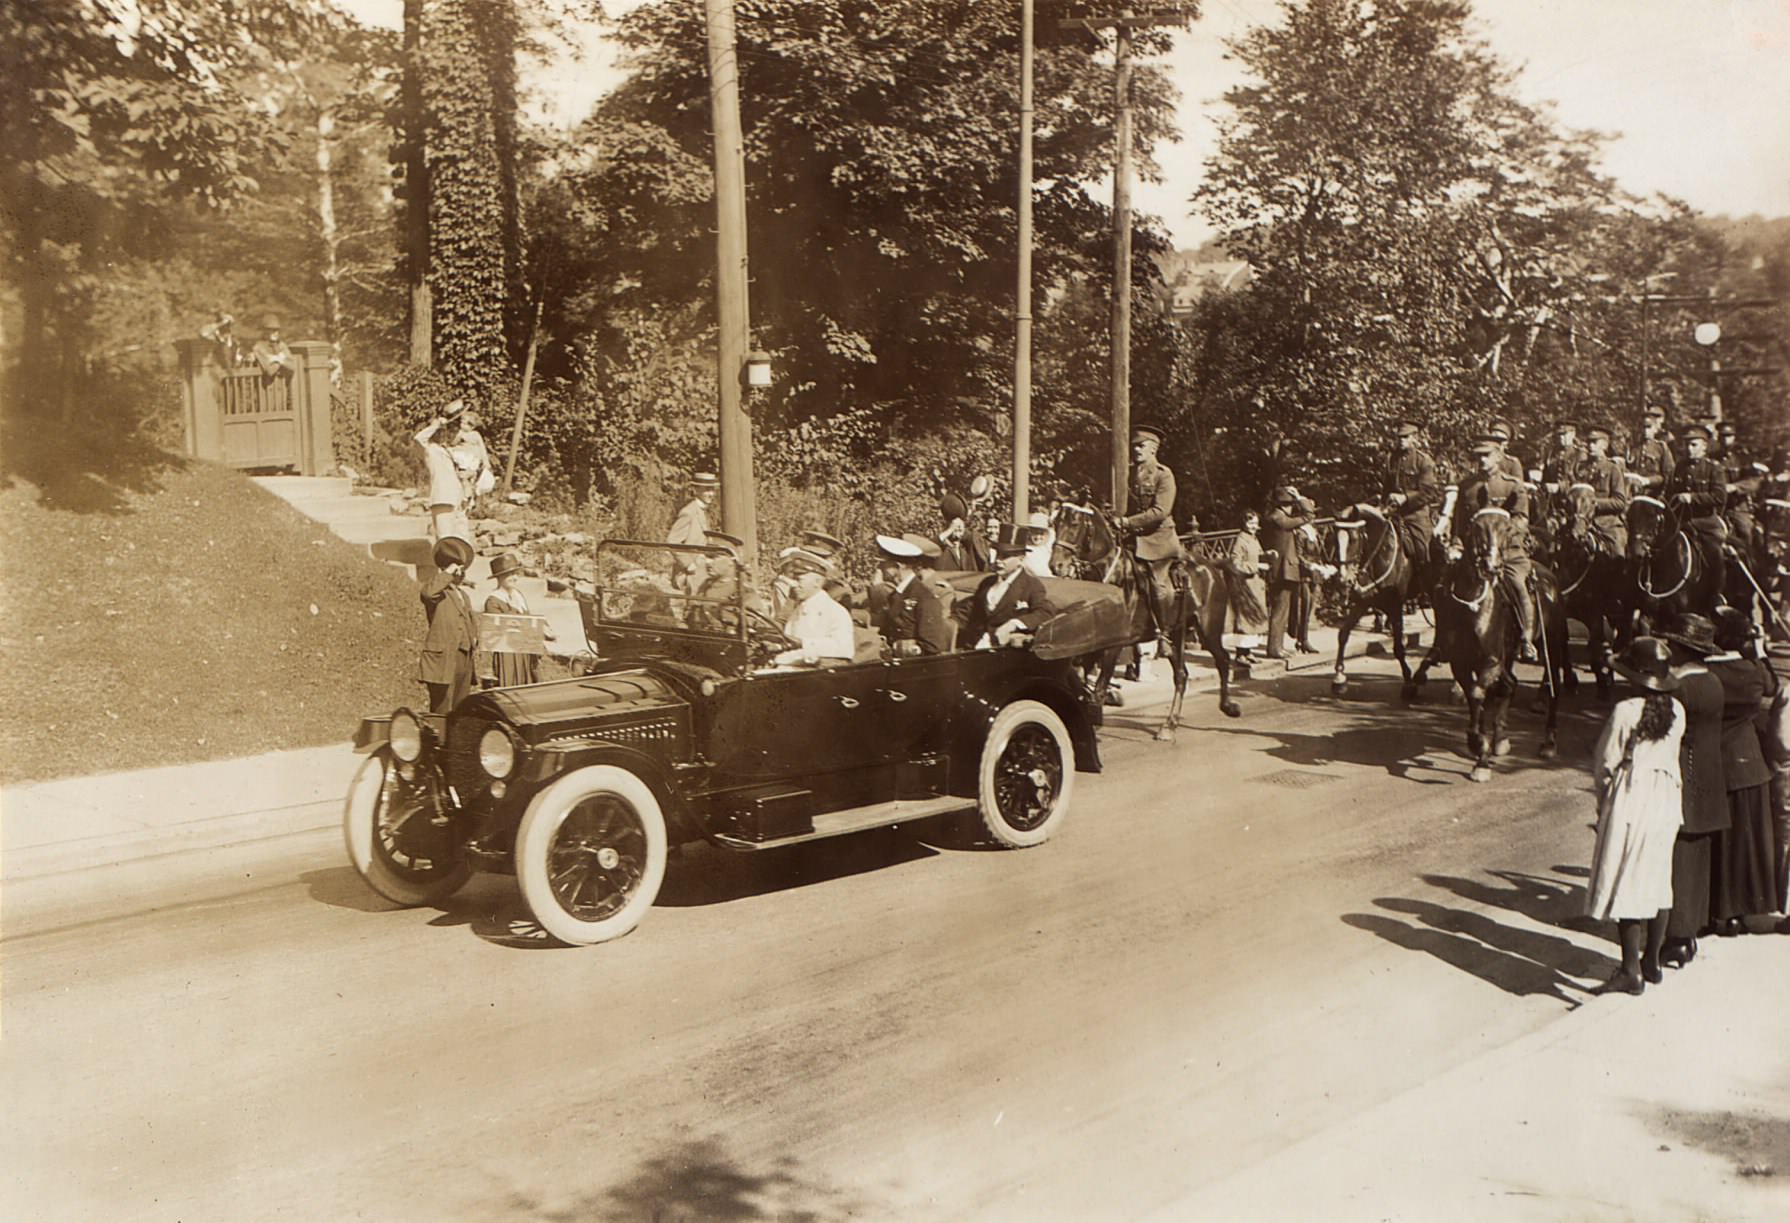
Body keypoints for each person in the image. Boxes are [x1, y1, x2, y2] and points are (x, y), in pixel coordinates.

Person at [1585, 637, 1685, 996]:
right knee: (1659, 877)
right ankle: (1652, 961)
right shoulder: (1677, 710)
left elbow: (1606, 762)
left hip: (1632, 796)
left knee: (1627, 880)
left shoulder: (1626, 711)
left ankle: (1630, 971)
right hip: (1667, 798)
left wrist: (1604, 803)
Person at [1657, 614, 1729, 968]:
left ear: (1684, 649)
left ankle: (1677, 938)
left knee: (1680, 861)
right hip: (1711, 778)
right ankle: (1690, 931)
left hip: (1685, 779)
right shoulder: (1714, 683)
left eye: (1672, 644)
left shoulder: (1678, 688)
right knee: (1697, 859)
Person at [1707, 607, 1777, 933]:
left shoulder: (1707, 673)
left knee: (1720, 843)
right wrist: (1760, 650)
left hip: (1715, 764)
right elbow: (1773, 685)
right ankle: (1746, 908)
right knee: (1747, 842)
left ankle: (1721, 912)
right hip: (1750, 763)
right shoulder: (1752, 671)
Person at [1452, 435, 1539, 660]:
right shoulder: (1467, 486)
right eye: (1478, 455)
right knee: (1445, 586)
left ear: (1499, 456)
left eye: (1487, 455)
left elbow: (1521, 519)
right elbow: (1458, 523)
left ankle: (1526, 638)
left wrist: (1501, 533)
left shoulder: (1512, 485)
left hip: (1507, 551)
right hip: (1474, 554)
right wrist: (1456, 544)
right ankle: (1444, 639)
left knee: (1518, 585)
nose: (1482, 460)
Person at [1119, 424, 1183, 624]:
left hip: (1158, 540)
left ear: (1153, 448)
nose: (1136, 450)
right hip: (1133, 537)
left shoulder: (1163, 474)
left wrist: (1127, 522)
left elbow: (1161, 511)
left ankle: (1163, 633)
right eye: (1134, 446)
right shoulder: (1129, 473)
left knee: (1157, 584)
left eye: (1141, 446)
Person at [953, 524, 1054, 650]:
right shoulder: (987, 583)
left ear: (1021, 559)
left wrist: (1014, 624)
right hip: (974, 647)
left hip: (1005, 652)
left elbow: (1044, 612)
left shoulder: (1032, 586)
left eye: (1005, 556)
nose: (998, 560)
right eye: (998, 554)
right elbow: (971, 610)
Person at [418, 536, 479, 714]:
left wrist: (474, 638)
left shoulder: (463, 595)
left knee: (462, 707)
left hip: (464, 658)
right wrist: (447, 573)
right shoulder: (436, 591)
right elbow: (428, 594)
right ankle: (438, 741)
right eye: (457, 570)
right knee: (442, 708)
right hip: (443, 658)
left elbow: (468, 621)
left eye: (462, 570)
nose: (461, 574)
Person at [1664, 423, 1728, 577]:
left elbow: (1720, 497)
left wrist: (1692, 498)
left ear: (1704, 446)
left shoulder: (1714, 468)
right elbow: (1668, 494)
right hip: (1681, 522)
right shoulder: (1679, 467)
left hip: (1706, 524)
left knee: (1715, 554)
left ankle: (1714, 593)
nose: (1689, 449)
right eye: (1686, 444)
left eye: (1694, 445)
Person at [773, 549, 854, 667]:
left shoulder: (835, 612)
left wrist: (803, 643)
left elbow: (843, 648)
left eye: (799, 579)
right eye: (794, 579)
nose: (793, 584)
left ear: (817, 582)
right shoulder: (797, 610)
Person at [873, 534, 951, 656]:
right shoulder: (897, 595)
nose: (879, 568)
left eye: (883, 564)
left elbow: (932, 645)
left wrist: (898, 647)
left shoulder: (925, 598)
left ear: (896, 567)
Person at [483, 552, 552, 687]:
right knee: (511, 684)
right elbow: (500, 631)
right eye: (508, 575)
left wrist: (543, 628)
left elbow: (528, 618)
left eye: (515, 574)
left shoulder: (518, 596)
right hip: (508, 653)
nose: (513, 578)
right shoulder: (493, 601)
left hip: (525, 651)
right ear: (499, 578)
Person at [1262, 485, 1314, 660]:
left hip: (1282, 569)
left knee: (1282, 609)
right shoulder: (1279, 518)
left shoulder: (1274, 517)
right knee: (1280, 610)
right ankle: (1274, 648)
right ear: (1284, 505)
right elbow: (1308, 515)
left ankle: (1278, 646)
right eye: (1291, 504)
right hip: (1283, 570)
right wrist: (1300, 497)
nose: (1293, 507)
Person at [1381, 420, 1440, 568]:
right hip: (1394, 513)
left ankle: (1425, 587)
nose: (1402, 440)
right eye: (1400, 437)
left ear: (1415, 438)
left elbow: (1429, 492)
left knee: (1423, 551)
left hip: (1416, 516)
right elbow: (1386, 488)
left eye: (1406, 437)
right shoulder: (1391, 459)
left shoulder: (1423, 461)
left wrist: (1405, 497)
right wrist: (1383, 506)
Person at [415, 402, 474, 545]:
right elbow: (418, 439)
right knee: (446, 541)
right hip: (443, 499)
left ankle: (460, 568)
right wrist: (436, 425)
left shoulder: (451, 451)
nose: (454, 433)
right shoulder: (431, 451)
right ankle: (448, 567)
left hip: (459, 501)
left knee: (462, 543)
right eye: (450, 428)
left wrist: (467, 488)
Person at [1225, 509, 1269, 657]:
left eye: (1256, 523)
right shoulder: (1240, 540)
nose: (1254, 526)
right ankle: (1240, 654)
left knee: (1253, 618)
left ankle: (1248, 652)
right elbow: (1236, 564)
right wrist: (1257, 567)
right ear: (1243, 523)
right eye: (1250, 523)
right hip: (1245, 584)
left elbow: (1257, 555)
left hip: (1255, 584)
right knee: (1245, 619)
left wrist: (1267, 554)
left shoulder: (1253, 538)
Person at [668, 472, 719, 598]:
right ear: (696, 490)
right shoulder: (689, 512)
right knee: (697, 607)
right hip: (691, 572)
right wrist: (688, 564)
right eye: (707, 490)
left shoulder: (702, 511)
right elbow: (672, 541)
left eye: (712, 490)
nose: (711, 494)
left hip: (703, 567)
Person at [1581, 424, 1631, 555]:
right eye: (1589, 442)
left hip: (1606, 522)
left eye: (1595, 442)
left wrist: (1595, 503)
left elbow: (1620, 502)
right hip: (1582, 520)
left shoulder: (1612, 469)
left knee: (1617, 552)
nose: (1590, 446)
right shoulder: (1581, 468)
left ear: (1604, 445)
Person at [451, 407, 494, 519]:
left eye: (465, 424)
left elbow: (482, 448)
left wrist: (486, 461)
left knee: (466, 478)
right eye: (461, 423)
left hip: (471, 460)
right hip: (461, 459)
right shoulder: (460, 433)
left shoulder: (475, 435)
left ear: (472, 426)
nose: (462, 426)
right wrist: (458, 437)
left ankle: (468, 497)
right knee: (463, 479)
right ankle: (468, 500)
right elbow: (453, 443)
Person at [1630, 404, 1675, 496]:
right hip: (1634, 493)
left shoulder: (1661, 447)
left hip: (1654, 494)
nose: (1646, 431)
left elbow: (1668, 474)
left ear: (1655, 429)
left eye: (1649, 427)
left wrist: (1649, 481)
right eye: (1643, 427)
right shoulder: (1634, 448)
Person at [937, 493, 989, 572]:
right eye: (954, 527)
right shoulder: (940, 547)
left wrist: (962, 529)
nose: (958, 529)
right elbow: (928, 547)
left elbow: (981, 549)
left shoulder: (967, 546)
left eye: (960, 526)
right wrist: (949, 530)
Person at [251, 315, 295, 407]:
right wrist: (282, 359)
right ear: (265, 332)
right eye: (272, 330)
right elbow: (270, 370)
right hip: (266, 392)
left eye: (277, 330)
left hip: (282, 392)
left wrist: (276, 359)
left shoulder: (282, 345)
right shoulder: (259, 347)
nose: (276, 333)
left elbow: (292, 365)